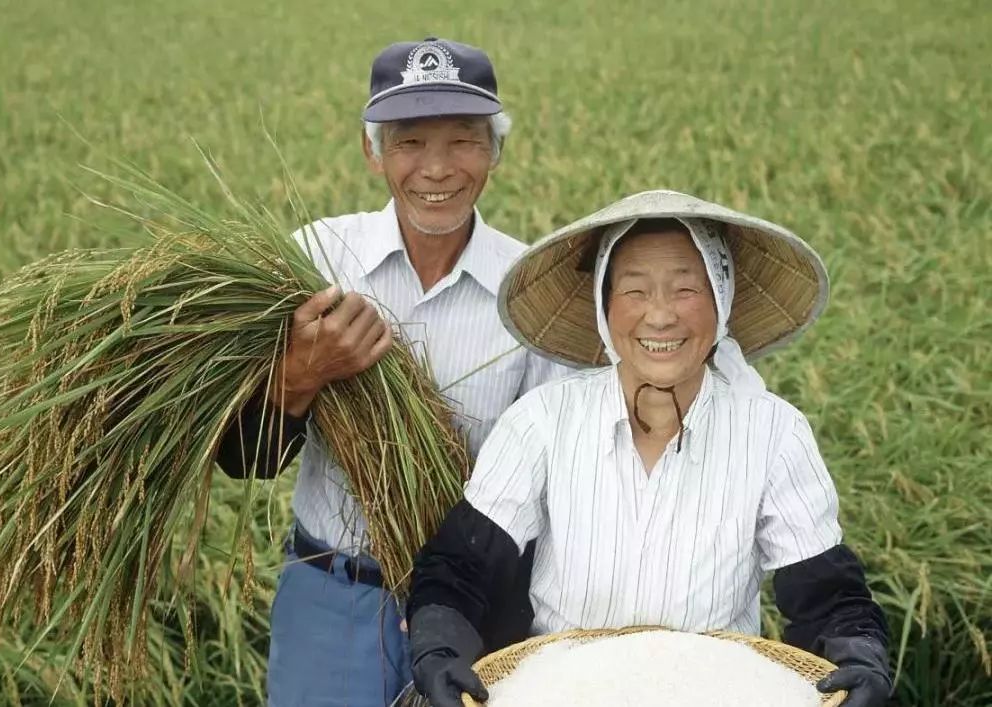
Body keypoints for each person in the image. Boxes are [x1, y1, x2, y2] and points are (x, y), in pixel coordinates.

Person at [406, 190, 892, 707]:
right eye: (635, 291)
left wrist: (859, 655)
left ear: (721, 301)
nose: (660, 317)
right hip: (563, 690)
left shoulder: (773, 433)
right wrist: (439, 644)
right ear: (604, 306)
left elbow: (827, 594)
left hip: (717, 693)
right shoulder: (542, 421)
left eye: (686, 289)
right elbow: (461, 566)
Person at [215, 37, 570, 707]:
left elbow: (549, 489)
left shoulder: (532, 294)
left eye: (463, 140)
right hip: (333, 600)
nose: (436, 168)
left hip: (479, 613)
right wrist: (300, 373)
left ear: (496, 150)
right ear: (371, 150)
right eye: (408, 142)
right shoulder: (314, 260)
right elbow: (244, 457)